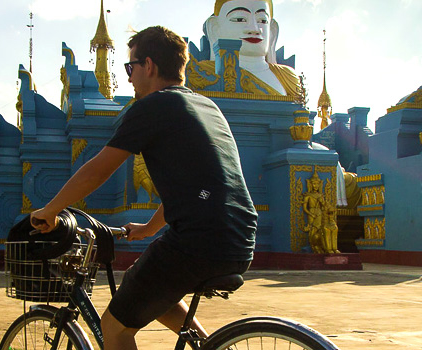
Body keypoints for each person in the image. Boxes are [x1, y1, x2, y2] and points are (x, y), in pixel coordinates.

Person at [30, 26, 258, 350]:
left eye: (130, 68)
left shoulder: (152, 107)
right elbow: (199, 187)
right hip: (239, 237)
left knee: (114, 328)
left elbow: (98, 170)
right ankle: (214, 348)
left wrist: (49, 210)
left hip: (198, 240)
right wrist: (151, 227)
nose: (128, 79)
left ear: (148, 66)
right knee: (152, 287)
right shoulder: (207, 108)